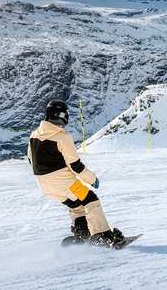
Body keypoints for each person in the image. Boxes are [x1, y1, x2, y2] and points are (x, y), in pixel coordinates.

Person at [28, 99, 124, 247]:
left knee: (76, 205)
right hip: (64, 182)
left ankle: (82, 234)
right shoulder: (62, 138)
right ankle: (102, 235)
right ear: (62, 116)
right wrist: (92, 180)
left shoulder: (34, 136)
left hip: (45, 186)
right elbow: (75, 165)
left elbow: (31, 160)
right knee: (90, 199)